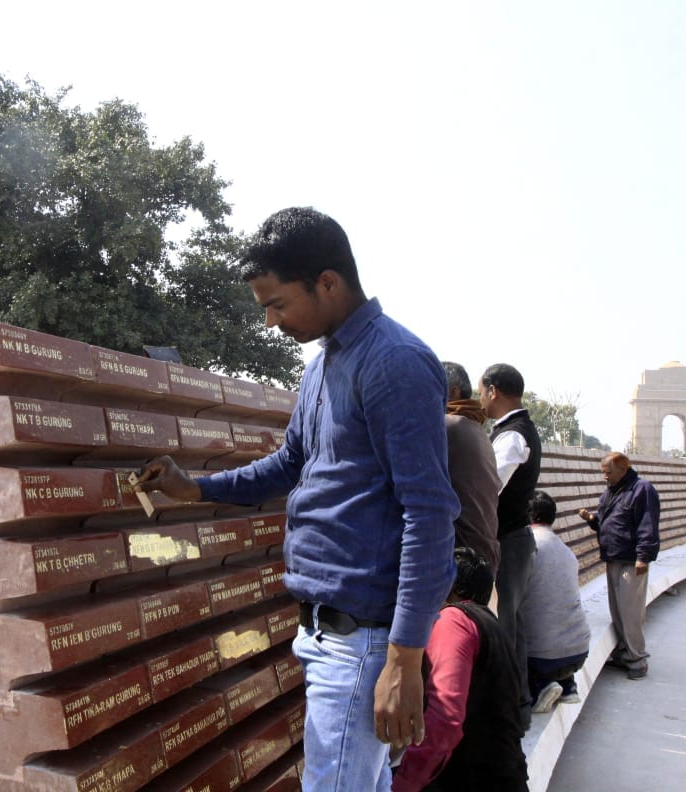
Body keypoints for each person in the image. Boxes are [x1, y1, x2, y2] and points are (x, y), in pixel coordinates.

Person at [133, 207, 459, 791]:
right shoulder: (323, 367)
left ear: (328, 282)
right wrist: (196, 488)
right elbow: (290, 465)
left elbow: (430, 517)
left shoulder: (395, 363)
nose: (269, 320)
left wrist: (403, 660)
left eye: (278, 303)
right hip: (324, 634)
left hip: (362, 641)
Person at [391, 548, 528, 792]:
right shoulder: (489, 622)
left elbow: (446, 718)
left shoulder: (453, 621)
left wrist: (405, 784)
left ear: (448, 587)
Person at [478, 363, 540, 729]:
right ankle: (517, 709)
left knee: (503, 627)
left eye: (482, 391)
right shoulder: (514, 431)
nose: (480, 398)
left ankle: (510, 713)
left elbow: (488, 486)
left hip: (508, 542)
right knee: (510, 625)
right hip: (513, 540)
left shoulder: (512, 437)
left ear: (493, 390)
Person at [578, 452, 660, 680]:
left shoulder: (642, 490)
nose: (605, 477)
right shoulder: (610, 492)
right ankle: (624, 653)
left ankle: (637, 659)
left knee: (630, 611)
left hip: (631, 560)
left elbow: (647, 525)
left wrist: (643, 556)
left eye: (609, 472)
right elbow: (609, 522)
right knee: (617, 611)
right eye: (603, 472)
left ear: (623, 469)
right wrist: (593, 520)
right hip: (613, 556)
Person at [522, 490, 590, 713]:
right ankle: (568, 686)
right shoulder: (565, 550)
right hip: (579, 651)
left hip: (543, 658)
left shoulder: (527, 546)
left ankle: (540, 688)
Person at [441, 361, 500, 575]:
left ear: (453, 392)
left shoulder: (447, 425)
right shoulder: (477, 430)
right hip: (482, 553)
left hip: (460, 558)